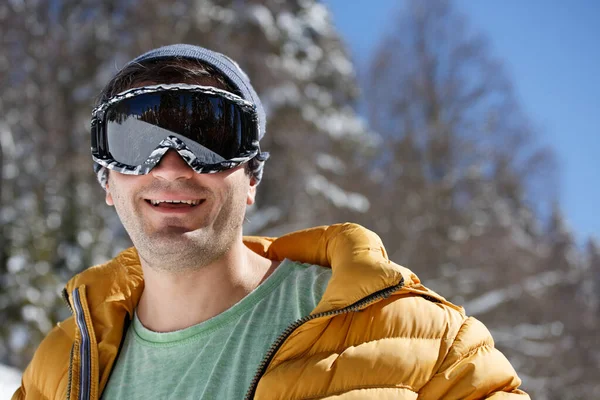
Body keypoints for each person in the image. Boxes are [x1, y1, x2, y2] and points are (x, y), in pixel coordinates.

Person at [13, 44, 529, 400]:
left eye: (207, 141)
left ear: (252, 178)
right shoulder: (56, 371)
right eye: (135, 143)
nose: (171, 166)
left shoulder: (418, 340)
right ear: (107, 182)